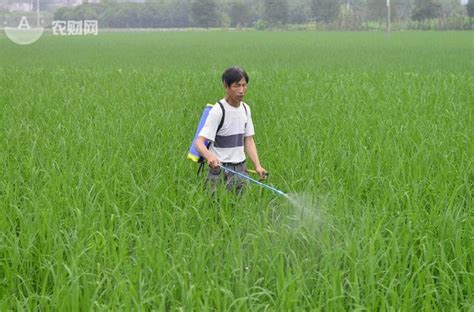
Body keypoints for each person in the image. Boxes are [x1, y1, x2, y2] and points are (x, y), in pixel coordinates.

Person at [194, 66, 267, 194]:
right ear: (226, 87)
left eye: (244, 85)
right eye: (237, 86)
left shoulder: (245, 109)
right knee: (216, 208)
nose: (241, 90)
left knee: (240, 209)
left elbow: (248, 140)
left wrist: (257, 166)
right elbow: (199, 143)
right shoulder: (218, 111)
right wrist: (210, 157)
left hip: (240, 168)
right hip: (220, 169)